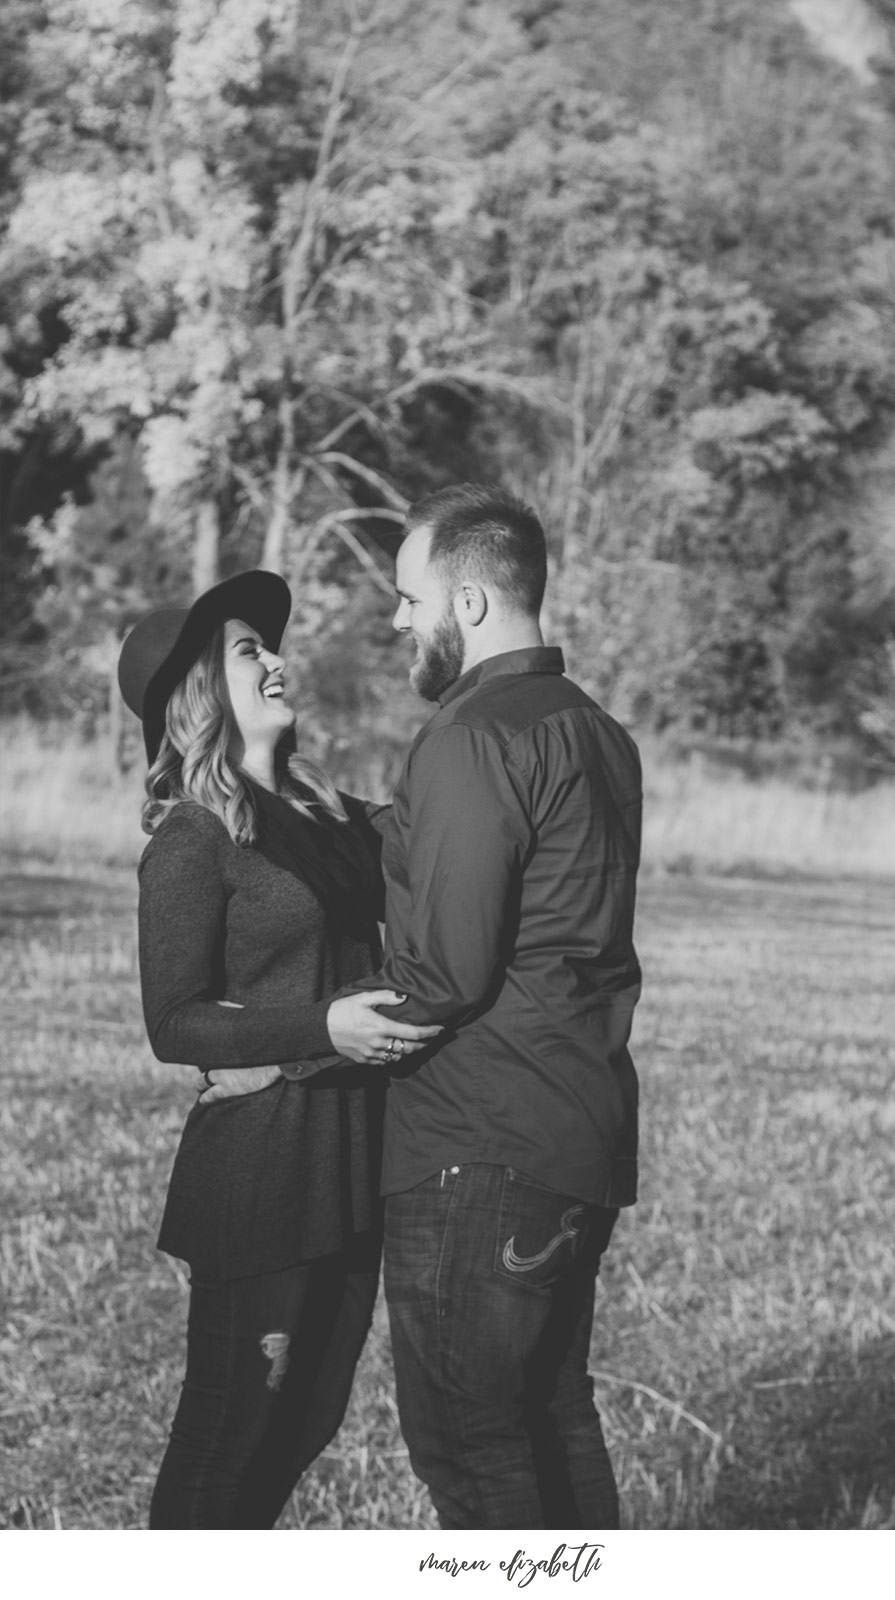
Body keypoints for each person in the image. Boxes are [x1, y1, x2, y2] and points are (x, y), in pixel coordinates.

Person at [266, 484, 643, 1530]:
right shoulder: (595, 732)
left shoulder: (470, 736)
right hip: (579, 1128)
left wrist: (301, 1041)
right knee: (554, 1417)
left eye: (405, 596)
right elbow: (514, 878)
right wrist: (358, 823)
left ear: (468, 603)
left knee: (470, 1444)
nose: (396, 621)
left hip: (479, 1145)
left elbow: (446, 974)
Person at [117, 570, 439, 1529]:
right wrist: (320, 1027)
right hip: (262, 1170)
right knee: (229, 1435)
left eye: (269, 645)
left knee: (301, 1424)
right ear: (198, 693)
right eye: (247, 650)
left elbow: (441, 844)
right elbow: (172, 1021)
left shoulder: (332, 817)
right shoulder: (192, 838)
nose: (276, 661)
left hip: (350, 1156)